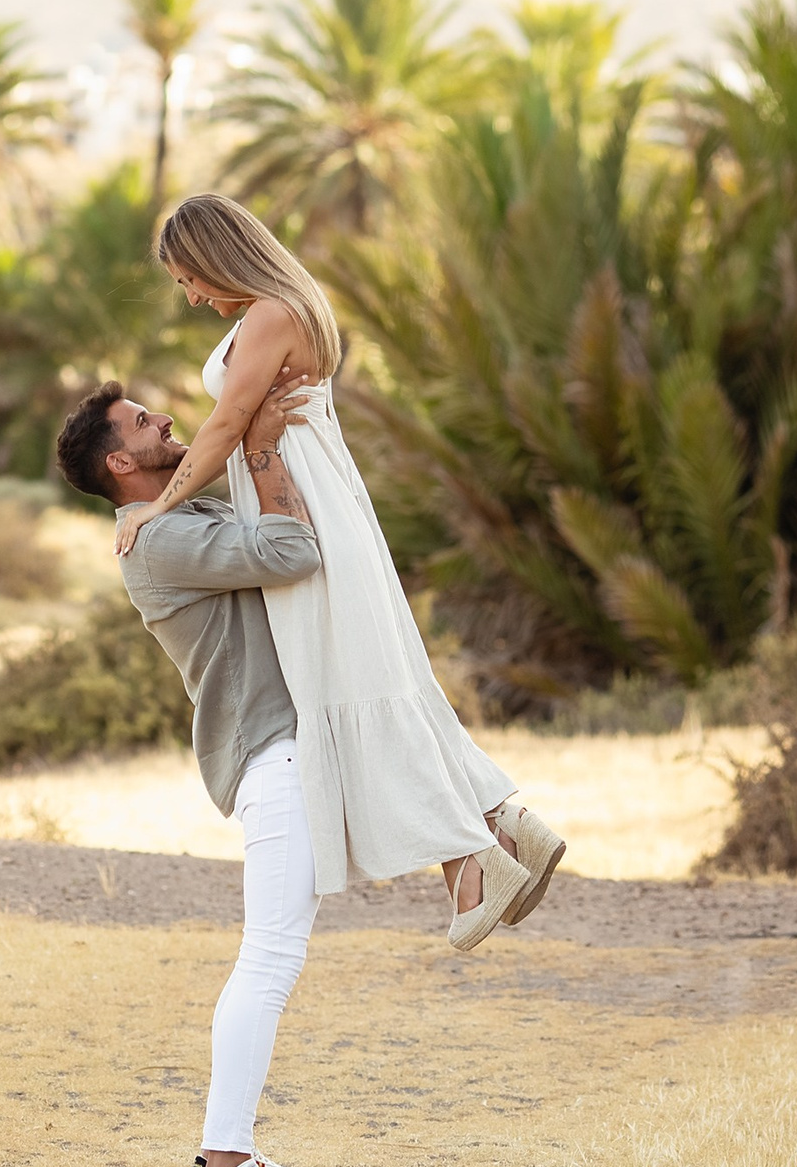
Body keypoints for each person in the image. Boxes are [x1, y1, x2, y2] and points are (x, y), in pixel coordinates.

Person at [115, 192, 566, 951]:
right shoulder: (282, 306)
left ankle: (473, 864)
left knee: (356, 688)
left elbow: (227, 424)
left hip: (307, 512)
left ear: (220, 255)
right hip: (312, 500)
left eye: (190, 278)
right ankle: (500, 823)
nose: (191, 296)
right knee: (373, 679)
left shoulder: (269, 314)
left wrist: (159, 505)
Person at [55, 371, 332, 1167]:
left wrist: (252, 429)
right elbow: (293, 552)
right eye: (143, 420)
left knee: (274, 954)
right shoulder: (158, 540)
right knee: (270, 957)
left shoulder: (169, 515)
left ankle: (232, 1152)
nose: (164, 416)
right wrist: (255, 441)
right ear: (118, 460)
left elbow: (221, 475)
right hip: (269, 757)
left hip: (283, 754)